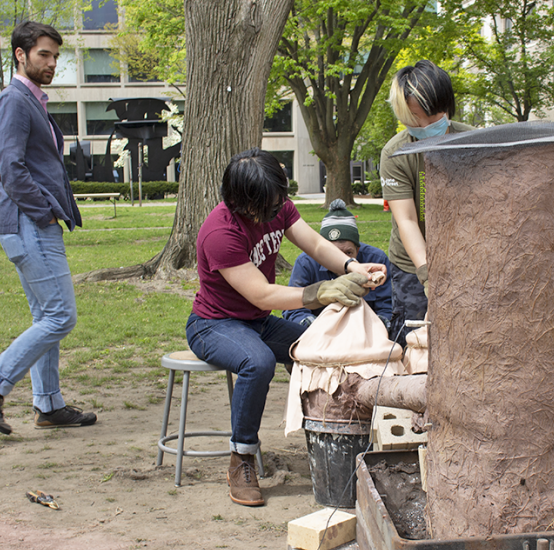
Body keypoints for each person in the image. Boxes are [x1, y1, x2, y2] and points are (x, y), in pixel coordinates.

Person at [187, 148, 386, 507]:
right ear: (241, 201)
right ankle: (242, 458)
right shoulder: (220, 232)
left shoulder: (277, 204)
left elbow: (313, 243)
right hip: (213, 324)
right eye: (269, 206)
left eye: (280, 201)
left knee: (320, 347)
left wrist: (352, 267)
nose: (278, 211)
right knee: (258, 362)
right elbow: (262, 294)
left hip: (256, 321)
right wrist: (321, 291)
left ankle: (329, 439)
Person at [0, 21, 96, 435]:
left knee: (46, 315)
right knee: (59, 316)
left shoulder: (33, 101)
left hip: (34, 224)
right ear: (20, 55)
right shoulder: (14, 101)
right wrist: (44, 212)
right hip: (28, 224)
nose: (52, 62)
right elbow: (10, 168)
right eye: (44, 54)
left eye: (56, 55)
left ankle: (48, 405)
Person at [380, 60, 475, 347]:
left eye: (433, 116)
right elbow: (406, 220)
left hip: (464, 258)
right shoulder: (396, 154)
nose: (425, 126)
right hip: (411, 265)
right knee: (416, 343)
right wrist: (427, 275)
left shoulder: (474, 142)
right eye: (416, 118)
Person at [283, 200, 392, 330]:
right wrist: (316, 328)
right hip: (320, 334)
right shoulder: (306, 263)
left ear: (358, 249)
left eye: (349, 253)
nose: (342, 260)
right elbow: (293, 309)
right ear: (322, 252)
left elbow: (387, 306)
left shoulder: (376, 260)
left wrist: (377, 327)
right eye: (334, 254)